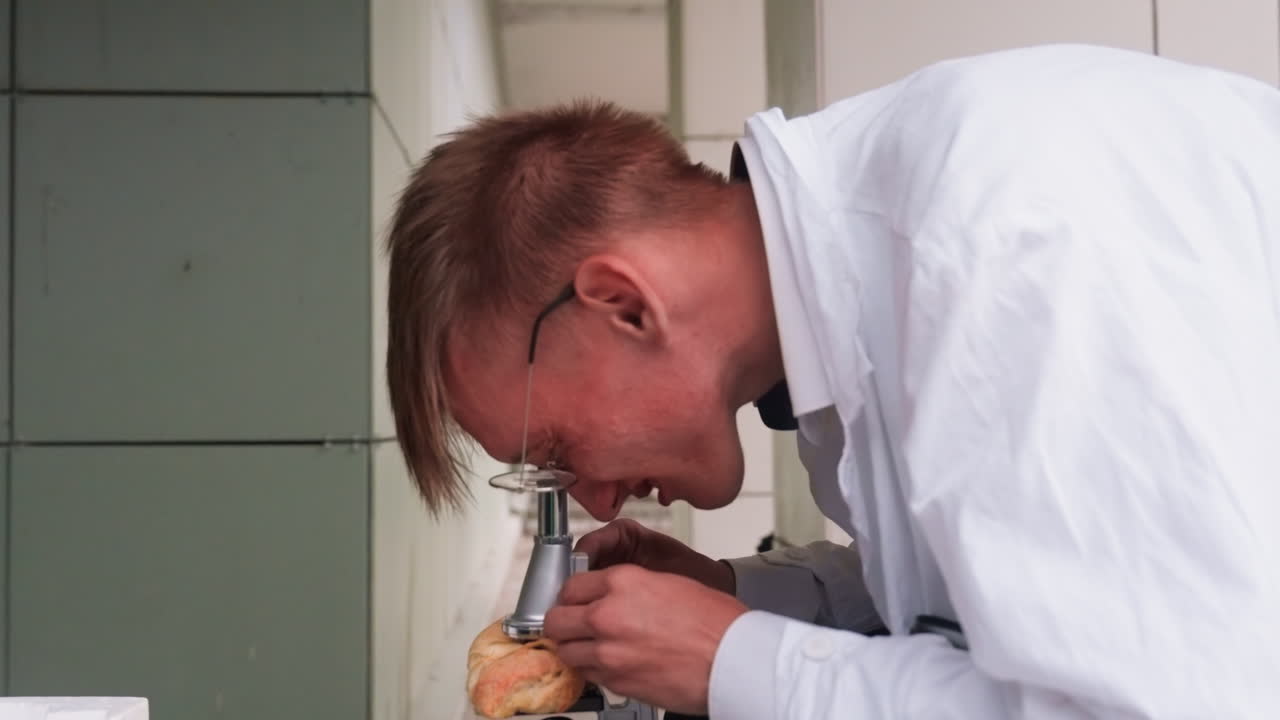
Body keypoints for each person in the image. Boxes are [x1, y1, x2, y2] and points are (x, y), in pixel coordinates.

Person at [384, 43, 1280, 718]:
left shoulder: (996, 249)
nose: (600, 502)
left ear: (624, 303)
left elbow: (1144, 701)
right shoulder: (849, 309)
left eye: (557, 449)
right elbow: (1009, 588)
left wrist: (735, 662)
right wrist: (741, 597)